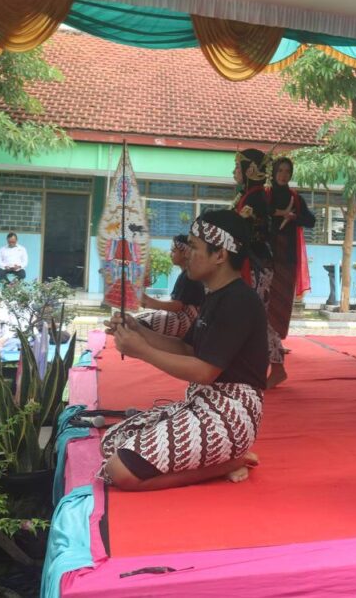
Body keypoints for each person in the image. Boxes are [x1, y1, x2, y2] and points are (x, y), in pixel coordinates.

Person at [99, 210, 268, 491]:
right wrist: (138, 330)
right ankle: (223, 461)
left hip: (229, 415)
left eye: (193, 246)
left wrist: (143, 351)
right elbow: (186, 349)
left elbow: (204, 372)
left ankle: (228, 463)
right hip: (204, 403)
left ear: (220, 254)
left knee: (119, 471)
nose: (186, 253)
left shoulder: (240, 301)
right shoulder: (215, 295)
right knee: (111, 442)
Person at [232, 148, 285, 388]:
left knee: (259, 317)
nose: (234, 172)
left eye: (238, 167)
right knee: (251, 317)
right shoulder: (248, 195)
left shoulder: (255, 199)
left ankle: (277, 367)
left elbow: (250, 233)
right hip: (252, 263)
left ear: (250, 170)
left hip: (257, 265)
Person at [266, 157, 316, 387]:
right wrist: (277, 213)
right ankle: (271, 352)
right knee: (265, 308)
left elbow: (311, 220)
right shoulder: (265, 196)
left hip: (286, 260)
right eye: (280, 170)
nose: (283, 175)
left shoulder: (296, 198)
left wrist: (294, 217)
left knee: (279, 307)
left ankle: (275, 350)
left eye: (287, 171)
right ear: (273, 172)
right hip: (266, 258)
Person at [137, 236, 205, 338]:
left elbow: (175, 306)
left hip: (188, 320)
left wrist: (147, 300)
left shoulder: (188, 276)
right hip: (190, 318)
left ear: (184, 253)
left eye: (173, 251)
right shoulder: (186, 274)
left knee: (141, 324)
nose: (170, 254)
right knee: (142, 319)